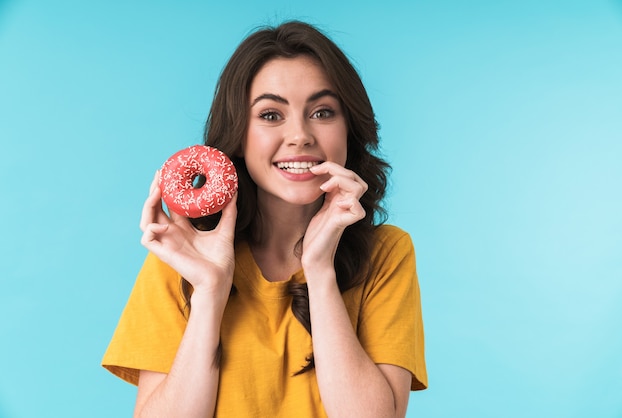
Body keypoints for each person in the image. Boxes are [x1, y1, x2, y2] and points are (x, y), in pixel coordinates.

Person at [102, 20, 427, 417]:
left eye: (323, 112)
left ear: (349, 129)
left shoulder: (387, 253)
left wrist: (319, 268)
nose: (300, 136)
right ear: (239, 134)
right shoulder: (181, 258)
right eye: (271, 115)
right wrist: (209, 291)